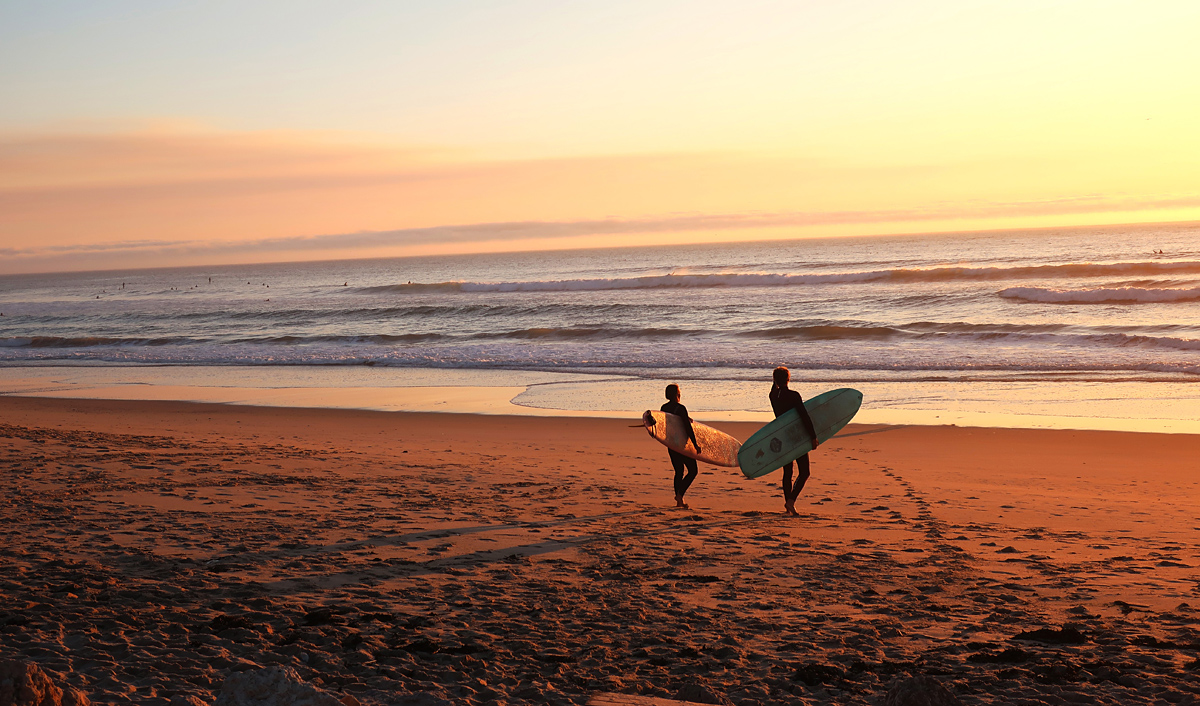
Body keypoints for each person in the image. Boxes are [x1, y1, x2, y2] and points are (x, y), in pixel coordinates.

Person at [769, 366, 819, 516]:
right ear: (788, 379)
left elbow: (774, 389)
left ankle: (788, 506)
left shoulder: (772, 396)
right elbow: (804, 416)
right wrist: (813, 436)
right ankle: (791, 501)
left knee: (787, 472)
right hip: (796, 437)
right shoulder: (794, 395)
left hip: (782, 438)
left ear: (775, 380)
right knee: (804, 472)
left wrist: (774, 382)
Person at [661, 383, 701, 509]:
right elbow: (688, 428)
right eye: (679, 391)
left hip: (671, 443)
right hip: (681, 444)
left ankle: (679, 500)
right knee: (693, 471)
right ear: (676, 394)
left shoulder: (664, 407)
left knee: (679, 471)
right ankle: (680, 495)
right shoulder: (681, 408)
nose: (680, 393)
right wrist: (695, 444)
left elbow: (667, 423)